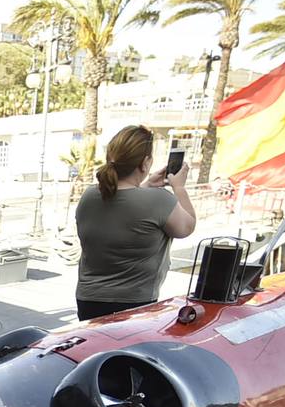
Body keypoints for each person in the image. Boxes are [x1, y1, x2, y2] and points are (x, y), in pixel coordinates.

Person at [73, 126, 197, 320]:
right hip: (134, 304)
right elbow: (187, 226)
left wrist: (144, 185)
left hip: (89, 300)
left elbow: (126, 206)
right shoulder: (158, 200)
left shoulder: (89, 195)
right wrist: (179, 187)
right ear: (145, 163)